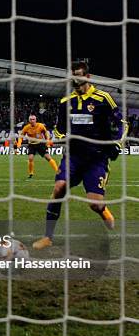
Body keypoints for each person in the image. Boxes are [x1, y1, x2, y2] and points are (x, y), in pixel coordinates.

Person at [33, 62, 128, 250]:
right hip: (73, 157)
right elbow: (59, 130)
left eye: (79, 75)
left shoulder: (103, 98)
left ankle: (103, 211)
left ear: (87, 77)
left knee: (94, 204)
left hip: (96, 158)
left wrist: (116, 144)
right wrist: (64, 137)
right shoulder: (65, 102)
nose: (76, 80)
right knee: (59, 187)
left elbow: (122, 124)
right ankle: (48, 237)